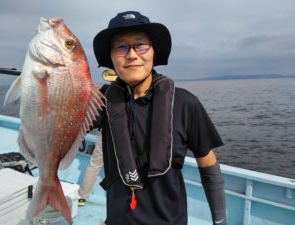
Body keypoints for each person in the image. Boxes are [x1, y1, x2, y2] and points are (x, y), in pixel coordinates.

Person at [92, 11, 227, 225]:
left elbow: (209, 168)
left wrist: (220, 222)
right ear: (111, 56)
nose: (132, 54)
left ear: (154, 52)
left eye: (141, 45)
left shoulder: (185, 103)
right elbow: (58, 122)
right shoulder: (99, 102)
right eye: (121, 46)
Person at [78, 131, 103, 206]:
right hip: (126, 137)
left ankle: (82, 197)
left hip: (107, 133)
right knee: (124, 168)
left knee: (94, 165)